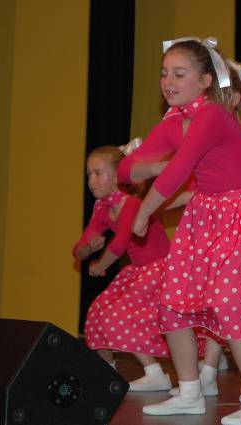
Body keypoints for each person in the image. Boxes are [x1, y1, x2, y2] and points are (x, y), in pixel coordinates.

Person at [117, 38, 241, 424]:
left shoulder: (213, 115)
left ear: (203, 82)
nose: (168, 81)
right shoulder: (173, 122)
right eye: (164, 73)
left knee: (232, 301)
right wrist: (157, 165)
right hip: (207, 214)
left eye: (179, 74)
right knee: (173, 302)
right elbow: (126, 169)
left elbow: (180, 172)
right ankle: (189, 393)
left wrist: (144, 212)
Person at [72, 145, 172, 392]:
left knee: (119, 315)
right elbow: (79, 249)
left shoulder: (132, 203)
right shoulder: (103, 207)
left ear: (118, 176)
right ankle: (107, 372)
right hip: (139, 270)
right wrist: (89, 248)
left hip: (160, 268)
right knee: (96, 314)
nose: (91, 180)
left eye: (98, 173)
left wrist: (99, 266)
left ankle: (156, 374)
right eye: (89, 174)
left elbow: (119, 244)